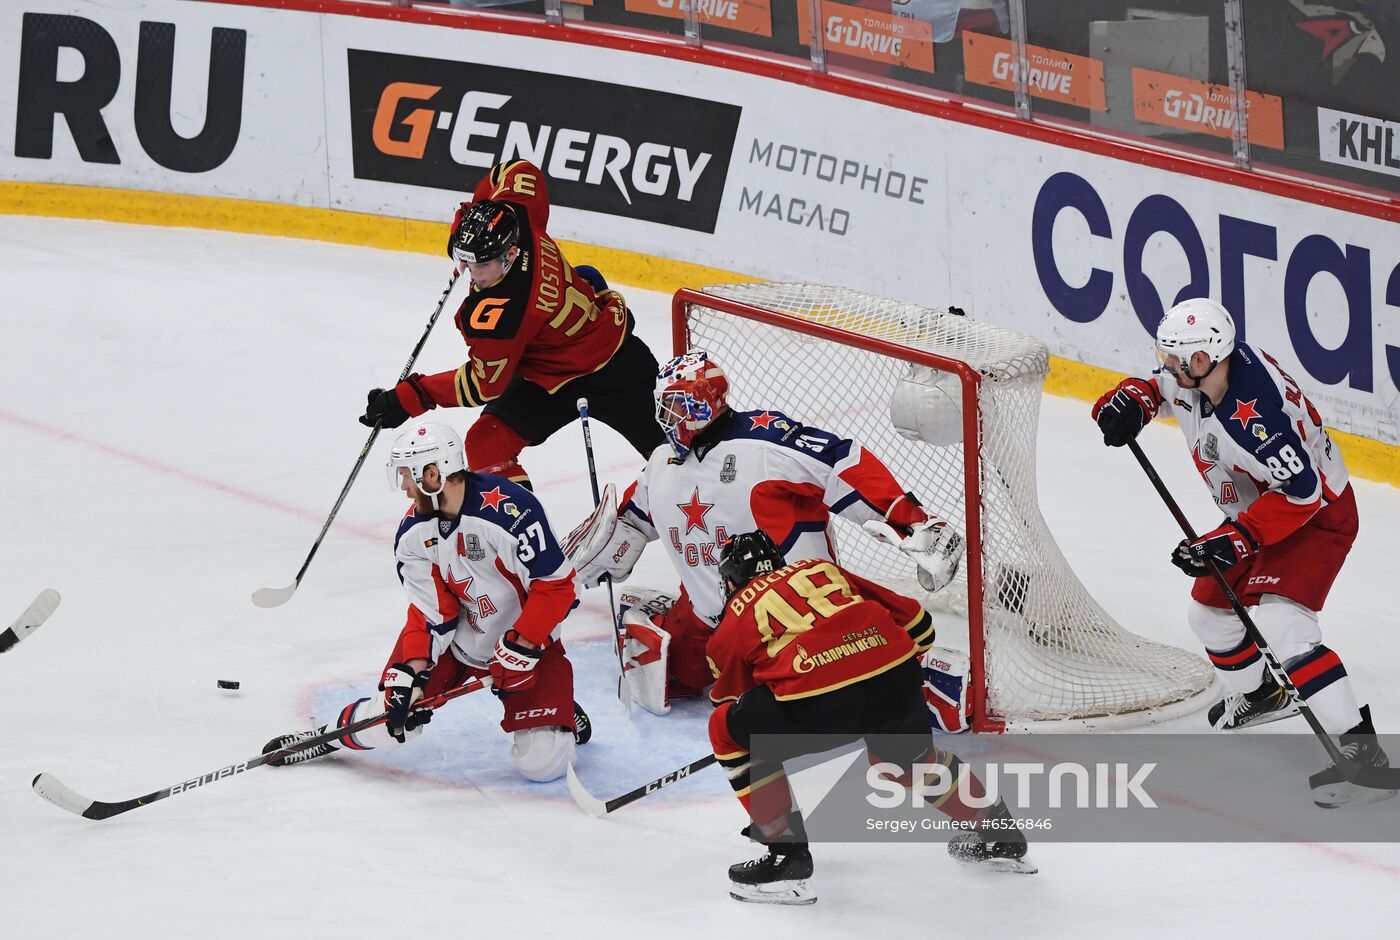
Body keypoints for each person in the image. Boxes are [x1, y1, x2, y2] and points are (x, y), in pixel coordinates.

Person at [1092, 296, 1394, 807]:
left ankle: (1363, 757)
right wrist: (1132, 398)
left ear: (1208, 357)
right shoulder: (1207, 374)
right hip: (1259, 513)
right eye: (1167, 356)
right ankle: (1262, 696)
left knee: (1282, 628)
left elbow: (1303, 492)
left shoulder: (1255, 416)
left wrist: (1237, 540)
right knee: (1208, 614)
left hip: (1316, 517)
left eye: (1177, 359)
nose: (1169, 367)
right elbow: (1163, 387)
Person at [564, 351, 966, 713]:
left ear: (706, 403)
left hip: (799, 613)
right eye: (663, 408)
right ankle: (661, 617)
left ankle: (922, 680)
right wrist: (601, 550)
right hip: (712, 620)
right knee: (677, 678)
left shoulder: (765, 441)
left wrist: (910, 520)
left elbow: (841, 463)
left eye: (677, 406)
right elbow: (634, 520)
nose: (667, 419)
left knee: (850, 672)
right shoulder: (659, 463)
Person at [707, 531, 1035, 904]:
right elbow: (920, 627)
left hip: (820, 700)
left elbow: (734, 700)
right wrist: (871, 664)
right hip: (896, 678)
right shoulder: (819, 568)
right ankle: (999, 831)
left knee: (725, 732)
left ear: (731, 580)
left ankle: (786, 859)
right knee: (904, 763)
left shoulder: (733, 618)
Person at [264, 422, 589, 782]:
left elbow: (556, 586)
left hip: (525, 648)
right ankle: (326, 738)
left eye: (406, 476)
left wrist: (523, 645)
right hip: (459, 645)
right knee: (392, 718)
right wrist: (412, 670)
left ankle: (558, 712)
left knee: (544, 766)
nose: (404, 489)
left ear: (432, 474)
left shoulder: (512, 510)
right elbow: (430, 610)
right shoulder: (413, 535)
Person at [358, 160, 665, 489]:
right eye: (466, 258)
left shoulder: (500, 313)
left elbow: (483, 385)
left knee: (676, 458)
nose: (473, 271)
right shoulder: (518, 214)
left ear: (509, 254)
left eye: (483, 263)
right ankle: (523, 533)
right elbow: (518, 169)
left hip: (612, 368)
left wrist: (410, 396)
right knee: (486, 444)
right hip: (555, 369)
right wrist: (476, 217)